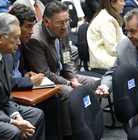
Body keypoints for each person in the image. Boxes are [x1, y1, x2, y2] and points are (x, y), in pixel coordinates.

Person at [23, 1, 95, 139]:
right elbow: (44, 73)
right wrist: (69, 84)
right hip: (42, 82)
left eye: (67, 21)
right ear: (46, 22)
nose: (65, 26)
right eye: (60, 22)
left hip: (60, 74)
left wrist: (73, 78)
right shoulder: (35, 39)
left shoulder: (64, 28)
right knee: (67, 92)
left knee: (90, 83)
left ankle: (86, 123)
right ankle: (69, 134)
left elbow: (67, 58)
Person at [0, 13, 45, 140]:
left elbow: (5, 96)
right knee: (12, 131)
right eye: (16, 38)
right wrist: (12, 121)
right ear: (0, 38)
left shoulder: (7, 54)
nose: (19, 42)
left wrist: (15, 115)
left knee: (36, 114)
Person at [8, 4, 44, 90]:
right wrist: (28, 81)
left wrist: (25, 75)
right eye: (28, 27)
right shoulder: (5, 47)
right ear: (16, 26)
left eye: (32, 26)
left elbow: (17, 71)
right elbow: (5, 82)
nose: (32, 32)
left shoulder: (23, 43)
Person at [87, 0, 125, 74]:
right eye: (121, 1)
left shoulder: (108, 16)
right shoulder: (106, 20)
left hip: (106, 63)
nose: (124, 4)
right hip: (106, 65)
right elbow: (112, 49)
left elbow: (123, 40)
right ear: (112, 3)